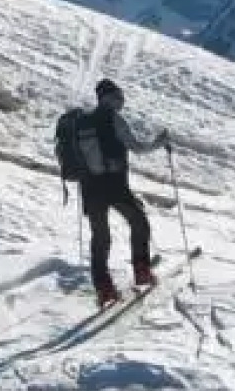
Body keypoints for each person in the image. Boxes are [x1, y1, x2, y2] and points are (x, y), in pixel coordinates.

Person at [59, 78, 169, 306]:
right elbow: (137, 147)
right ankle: (142, 272)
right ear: (110, 97)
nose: (121, 101)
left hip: (90, 188)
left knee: (101, 238)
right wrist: (160, 142)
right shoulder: (114, 119)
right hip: (115, 185)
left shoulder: (80, 122)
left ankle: (104, 289)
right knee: (139, 222)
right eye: (118, 96)